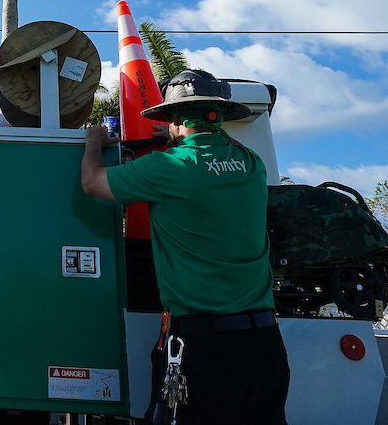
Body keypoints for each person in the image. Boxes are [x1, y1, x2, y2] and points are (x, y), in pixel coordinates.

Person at [80, 70, 289, 425]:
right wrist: (181, 135)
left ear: (174, 120)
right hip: (265, 344)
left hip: (203, 348)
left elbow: (93, 183)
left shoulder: (167, 167)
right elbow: (218, 152)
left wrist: (93, 143)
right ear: (219, 117)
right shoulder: (251, 165)